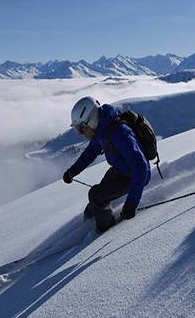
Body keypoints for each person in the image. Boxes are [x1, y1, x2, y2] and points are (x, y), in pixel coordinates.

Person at [62, 96, 151, 233]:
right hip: (121, 170)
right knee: (99, 194)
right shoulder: (102, 129)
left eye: (82, 128)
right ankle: (93, 214)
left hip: (133, 176)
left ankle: (106, 230)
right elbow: (91, 152)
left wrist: (131, 204)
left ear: (91, 120)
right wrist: (72, 171)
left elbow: (140, 167)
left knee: (95, 195)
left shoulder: (119, 133)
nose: (81, 133)